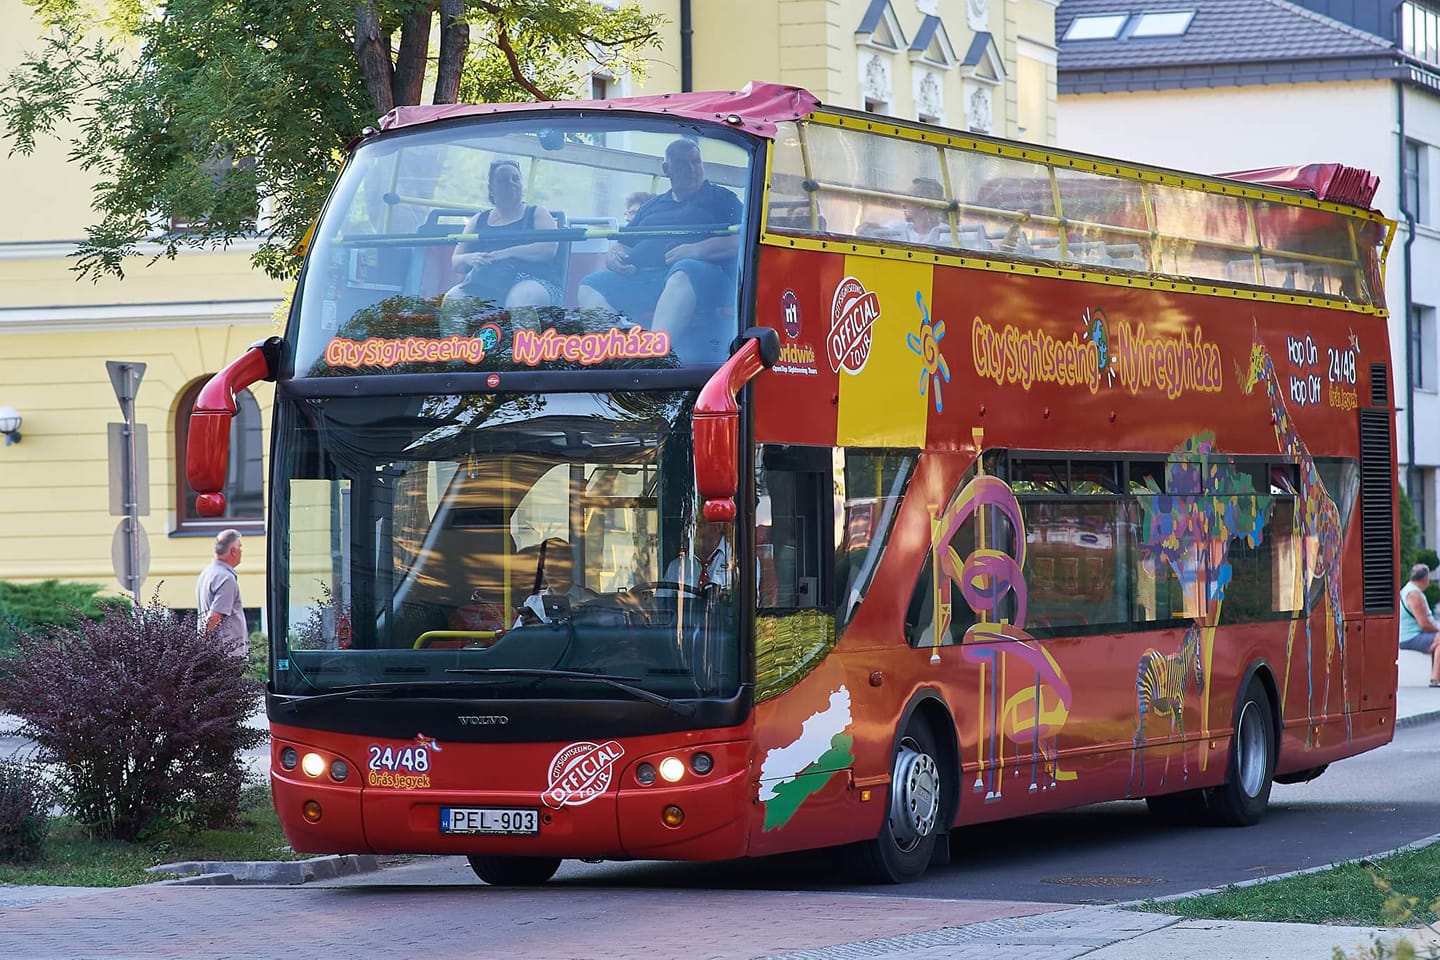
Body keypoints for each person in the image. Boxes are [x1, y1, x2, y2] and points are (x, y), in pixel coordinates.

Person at [578, 138, 743, 339]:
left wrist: (696, 250)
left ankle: (656, 357)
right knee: (591, 285)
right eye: (683, 164)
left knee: (684, 271)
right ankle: (615, 356)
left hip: (705, 280)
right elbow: (622, 243)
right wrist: (614, 257)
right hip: (648, 280)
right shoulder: (651, 206)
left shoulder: (722, 199)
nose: (691, 169)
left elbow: (743, 241)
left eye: (696, 162)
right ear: (667, 168)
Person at [444, 158, 562, 310]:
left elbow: (548, 249)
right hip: (487, 282)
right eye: (504, 180)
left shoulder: (537, 213)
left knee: (521, 299)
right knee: (452, 301)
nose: (511, 183)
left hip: (534, 280)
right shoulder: (478, 220)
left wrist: (505, 253)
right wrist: (472, 258)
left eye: (515, 179)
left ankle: (521, 334)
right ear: (491, 187)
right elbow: (456, 262)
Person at [196, 529, 248, 657]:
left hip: (215, 656)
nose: (241, 551)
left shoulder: (207, 573)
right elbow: (214, 617)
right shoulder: (226, 578)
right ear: (233, 551)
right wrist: (198, 651)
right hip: (226, 657)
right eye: (240, 547)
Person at [859, 177, 947, 243]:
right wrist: (869, 229)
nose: (903, 204)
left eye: (909, 198)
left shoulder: (950, 235)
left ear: (922, 203)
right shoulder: (895, 228)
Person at [1399, 563, 1440, 687]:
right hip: (1411, 637)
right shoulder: (1414, 594)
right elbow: (1424, 624)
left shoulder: (1407, 589)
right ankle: (1435, 678)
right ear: (1425, 578)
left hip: (1412, 635)